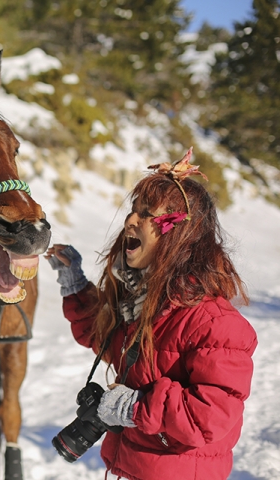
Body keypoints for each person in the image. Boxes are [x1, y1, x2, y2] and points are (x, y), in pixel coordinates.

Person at [45, 148, 257, 480]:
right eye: (133, 210)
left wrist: (134, 407)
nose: (131, 220)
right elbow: (102, 336)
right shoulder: (141, 304)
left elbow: (209, 417)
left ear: (180, 235)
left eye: (147, 214)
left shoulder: (216, 325)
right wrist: (73, 282)